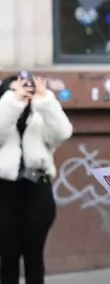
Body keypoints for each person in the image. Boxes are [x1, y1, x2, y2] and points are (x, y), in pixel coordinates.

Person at [0, 73, 73, 284]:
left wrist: (45, 99)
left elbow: (63, 132)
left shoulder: (40, 113)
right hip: (4, 192)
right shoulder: (5, 109)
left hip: (37, 190)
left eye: (26, 88)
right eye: (15, 88)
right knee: (8, 259)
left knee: (34, 258)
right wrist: (13, 102)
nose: (23, 92)